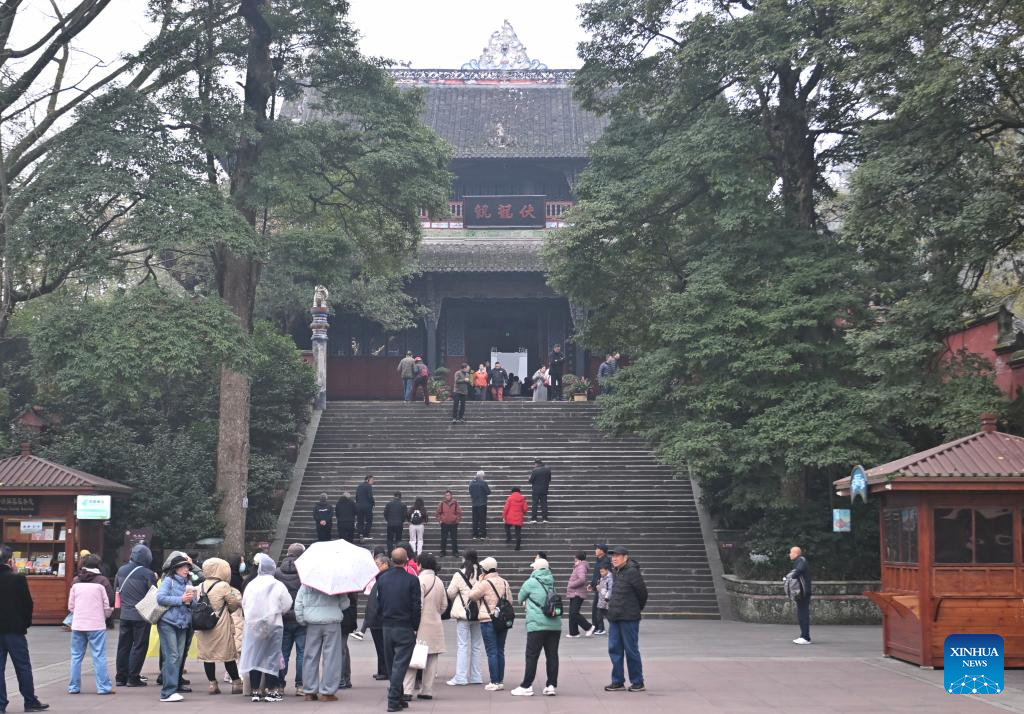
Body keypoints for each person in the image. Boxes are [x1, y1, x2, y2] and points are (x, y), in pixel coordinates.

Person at [0, 545, 48, 712]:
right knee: (22, 666)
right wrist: (25, 623)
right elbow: (27, 604)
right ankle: (30, 700)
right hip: (15, 630)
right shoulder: (18, 579)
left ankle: (1, 704)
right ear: (10, 560)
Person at [239, 553, 293, 702]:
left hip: (253, 625)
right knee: (271, 657)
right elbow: (287, 603)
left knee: (255, 656)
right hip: (273, 625)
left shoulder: (251, 584)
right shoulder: (277, 584)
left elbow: (244, 604)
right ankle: (271, 690)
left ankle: (255, 691)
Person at [374, 548, 422, 713]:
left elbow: (378, 602)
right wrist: (415, 626)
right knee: (400, 664)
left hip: (387, 625)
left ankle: (399, 697)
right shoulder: (412, 580)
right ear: (407, 560)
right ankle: (393, 699)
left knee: (392, 663)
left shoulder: (382, 579)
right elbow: (416, 606)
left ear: (392, 560)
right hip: (404, 625)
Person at [511, 558, 561, 697]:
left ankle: (526, 685)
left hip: (537, 625)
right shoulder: (552, 581)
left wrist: (527, 601)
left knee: (532, 656)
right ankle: (551, 685)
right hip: (554, 624)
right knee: (552, 655)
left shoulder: (531, 582)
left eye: (533, 567)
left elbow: (520, 598)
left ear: (537, 569)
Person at [67, 554, 114, 695]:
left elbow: (70, 606)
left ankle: (73, 687)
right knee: (99, 655)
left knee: (76, 656)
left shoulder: (75, 581)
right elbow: (108, 603)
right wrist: (105, 616)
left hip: (78, 624)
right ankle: (103, 687)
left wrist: (79, 614)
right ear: (98, 565)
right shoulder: (102, 581)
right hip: (96, 624)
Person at [195, 558, 243, 695]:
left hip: (204, 625)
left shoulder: (200, 586)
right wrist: (229, 611)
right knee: (228, 655)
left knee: (208, 656)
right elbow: (233, 603)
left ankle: (212, 684)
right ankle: (236, 683)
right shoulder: (223, 586)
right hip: (221, 625)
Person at [294, 580, 348, 701]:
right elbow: (345, 605)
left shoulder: (307, 583)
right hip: (332, 622)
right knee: (331, 658)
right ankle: (328, 692)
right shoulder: (336, 584)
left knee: (310, 656)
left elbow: (298, 603)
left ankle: (309, 691)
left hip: (312, 623)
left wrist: (302, 620)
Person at [403, 553, 447, 701]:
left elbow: (417, 605)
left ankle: (407, 690)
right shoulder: (439, 581)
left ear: (420, 564)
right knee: (432, 659)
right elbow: (444, 606)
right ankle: (427, 690)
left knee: (413, 657)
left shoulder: (419, 580)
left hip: (420, 625)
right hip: (435, 624)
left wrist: (414, 624)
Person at [604, 546, 648, 692]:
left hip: (629, 617)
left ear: (626, 557)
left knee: (631, 650)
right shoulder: (616, 572)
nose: (614, 559)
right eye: (612, 556)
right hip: (615, 617)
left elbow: (643, 594)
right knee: (614, 649)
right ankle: (617, 681)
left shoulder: (632, 572)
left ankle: (637, 681)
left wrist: (634, 609)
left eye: (617, 556)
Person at [465, 557, 512, 692]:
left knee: (491, 651)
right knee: (500, 650)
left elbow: (472, 595)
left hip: (488, 619)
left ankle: (494, 681)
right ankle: (500, 681)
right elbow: (510, 600)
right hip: (502, 620)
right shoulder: (504, 582)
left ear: (484, 569)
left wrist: (479, 581)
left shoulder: (484, 583)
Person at [115, 543, 158, 688]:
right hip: (141, 616)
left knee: (123, 646)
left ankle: (121, 677)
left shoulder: (121, 570)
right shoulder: (147, 573)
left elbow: (117, 589)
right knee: (139, 646)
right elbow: (154, 595)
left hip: (124, 615)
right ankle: (133, 677)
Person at [156, 553, 195, 703]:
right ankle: (167, 692)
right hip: (168, 623)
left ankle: (171, 689)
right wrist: (181, 599)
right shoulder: (168, 581)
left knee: (177, 657)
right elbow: (160, 598)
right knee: (172, 656)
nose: (186, 569)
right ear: (176, 568)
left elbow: (193, 604)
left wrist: (191, 600)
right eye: (183, 567)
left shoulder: (188, 582)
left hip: (183, 623)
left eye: (187, 567)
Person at [445, 552, 485, 687]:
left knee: (462, 645)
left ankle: (461, 677)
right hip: (479, 613)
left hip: (463, 613)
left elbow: (450, 593)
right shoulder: (482, 574)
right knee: (476, 646)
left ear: (464, 559)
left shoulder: (459, 574)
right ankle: (476, 676)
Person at [275, 543, 306, 696]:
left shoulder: (277, 573)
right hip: (301, 616)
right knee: (302, 653)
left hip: (283, 616)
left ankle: (280, 684)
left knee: (283, 652)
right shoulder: (305, 571)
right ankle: (300, 685)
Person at [361, 552, 390, 680]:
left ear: (385, 564)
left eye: (377, 564)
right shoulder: (380, 577)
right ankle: (381, 669)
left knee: (382, 646)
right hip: (378, 618)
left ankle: (385, 671)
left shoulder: (384, 578)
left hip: (380, 618)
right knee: (380, 646)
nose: (375, 567)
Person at [786, 546, 812, 645]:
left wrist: (790, 576)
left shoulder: (801, 560)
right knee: (801, 614)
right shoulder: (799, 560)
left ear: (796, 553)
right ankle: (803, 636)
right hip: (801, 592)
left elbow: (799, 570)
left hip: (803, 593)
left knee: (803, 614)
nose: (789, 554)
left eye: (791, 552)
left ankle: (806, 637)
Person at [565, 551, 595, 638]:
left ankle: (589, 627)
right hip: (574, 593)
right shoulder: (579, 566)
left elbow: (582, 579)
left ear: (578, 558)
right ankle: (573, 632)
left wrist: (571, 584)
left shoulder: (581, 567)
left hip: (577, 593)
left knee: (574, 613)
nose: (574, 559)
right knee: (572, 613)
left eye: (575, 557)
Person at [588, 544, 611, 635]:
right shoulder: (599, 560)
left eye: (597, 548)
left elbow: (604, 575)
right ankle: (597, 627)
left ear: (602, 551)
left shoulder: (605, 561)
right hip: (599, 587)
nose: (595, 550)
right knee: (598, 608)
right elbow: (596, 575)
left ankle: (601, 628)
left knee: (600, 609)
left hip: (602, 588)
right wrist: (592, 584)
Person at [339, 593, 357, 689]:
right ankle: (346, 679)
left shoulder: (344, 590)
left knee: (341, 650)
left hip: (343, 620)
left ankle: (341, 680)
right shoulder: (349, 587)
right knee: (343, 649)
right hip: (347, 619)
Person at [437, 490, 463, 557]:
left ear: (451, 495)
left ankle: (455, 552)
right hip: (444, 524)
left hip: (453, 524)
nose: (447, 496)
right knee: (443, 538)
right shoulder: (442, 503)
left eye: (448, 495)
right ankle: (442, 552)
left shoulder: (455, 503)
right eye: (446, 495)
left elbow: (459, 512)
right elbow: (438, 513)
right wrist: (440, 520)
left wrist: (457, 520)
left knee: (454, 538)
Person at [469, 470, 491, 539]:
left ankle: (475, 535)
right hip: (482, 504)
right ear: (481, 476)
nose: (484, 477)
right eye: (483, 476)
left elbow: (470, 491)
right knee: (482, 520)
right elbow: (488, 492)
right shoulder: (483, 483)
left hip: (474, 504)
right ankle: (483, 535)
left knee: (475, 520)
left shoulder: (471, 483)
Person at [528, 458, 552, 523]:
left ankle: (534, 519)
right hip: (544, 489)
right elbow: (549, 479)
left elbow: (530, 480)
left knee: (535, 504)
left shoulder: (535, 470)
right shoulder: (547, 470)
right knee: (544, 504)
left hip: (536, 490)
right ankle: (545, 519)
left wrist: (529, 477)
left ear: (536, 464)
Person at [356, 475, 376, 540]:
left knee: (360, 521)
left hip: (359, 506)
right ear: (368, 480)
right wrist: (373, 503)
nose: (373, 482)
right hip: (367, 507)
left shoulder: (359, 486)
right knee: (369, 521)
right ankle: (366, 534)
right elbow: (370, 496)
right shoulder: (368, 486)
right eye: (372, 480)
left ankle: (360, 534)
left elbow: (356, 496)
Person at [596, 564, 612, 630]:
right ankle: (601, 629)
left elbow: (610, 589)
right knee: (600, 615)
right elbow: (602, 588)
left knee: (607, 615)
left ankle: (604, 629)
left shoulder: (610, 579)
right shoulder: (602, 577)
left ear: (607, 570)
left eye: (602, 571)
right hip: (601, 599)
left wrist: (606, 598)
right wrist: (598, 587)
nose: (601, 573)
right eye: (600, 572)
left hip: (606, 600)